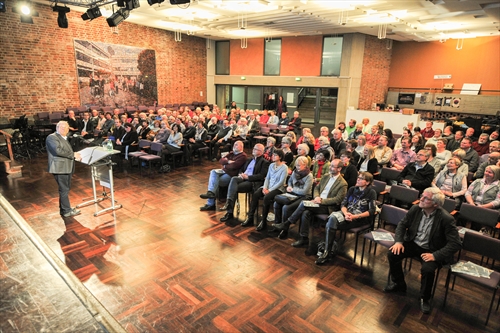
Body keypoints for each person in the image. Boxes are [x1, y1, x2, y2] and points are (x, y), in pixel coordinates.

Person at [384, 187, 461, 314]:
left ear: (435, 204)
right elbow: (402, 224)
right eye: (422, 195)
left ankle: (425, 298)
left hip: (431, 250)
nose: (421, 199)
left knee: (428, 269)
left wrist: (435, 255)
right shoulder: (416, 209)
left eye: (426, 198)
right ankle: (399, 284)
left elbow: (455, 244)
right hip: (414, 243)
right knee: (393, 254)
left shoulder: (446, 219)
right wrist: (399, 242)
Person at [273, 159, 348, 249]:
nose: (330, 167)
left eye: (332, 166)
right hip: (317, 202)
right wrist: (316, 197)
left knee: (303, 204)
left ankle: (287, 223)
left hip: (328, 206)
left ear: (339, 168)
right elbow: (316, 188)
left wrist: (321, 201)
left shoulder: (343, 183)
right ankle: (304, 238)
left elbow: (338, 199)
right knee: (305, 213)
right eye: (330, 165)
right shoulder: (326, 176)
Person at [315, 171, 377, 265]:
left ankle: (327, 251)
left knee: (331, 221)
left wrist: (355, 216)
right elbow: (343, 203)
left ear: (367, 182)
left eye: (361, 178)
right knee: (332, 219)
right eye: (358, 177)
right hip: (347, 214)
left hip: (360, 218)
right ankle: (327, 251)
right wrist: (345, 213)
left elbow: (372, 211)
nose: (358, 179)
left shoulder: (371, 193)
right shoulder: (352, 189)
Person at [220, 144, 269, 223]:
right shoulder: (249, 159)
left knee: (234, 188)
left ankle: (229, 210)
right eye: (254, 148)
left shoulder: (264, 162)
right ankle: (229, 203)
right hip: (242, 178)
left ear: (260, 152)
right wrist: (241, 174)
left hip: (252, 182)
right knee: (233, 179)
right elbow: (241, 169)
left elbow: (261, 175)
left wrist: (248, 177)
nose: (253, 150)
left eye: (255, 149)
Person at [241, 149, 288, 231]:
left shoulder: (284, 168)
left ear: (280, 157)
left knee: (266, 198)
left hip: (278, 189)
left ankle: (263, 221)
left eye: (275, 155)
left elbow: (281, 182)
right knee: (256, 194)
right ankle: (250, 218)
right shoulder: (271, 165)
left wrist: (269, 190)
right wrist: (265, 187)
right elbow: (267, 178)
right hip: (268, 187)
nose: (273, 156)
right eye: (273, 155)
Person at [46, 121, 82, 218]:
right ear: (57, 128)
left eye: (66, 128)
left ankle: (64, 209)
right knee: (64, 189)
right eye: (62, 128)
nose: (64, 130)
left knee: (65, 189)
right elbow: (57, 151)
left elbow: (65, 150)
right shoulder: (52, 137)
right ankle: (66, 211)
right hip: (60, 168)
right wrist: (73, 154)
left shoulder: (63, 137)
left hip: (65, 167)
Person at [273, 156, 314, 239]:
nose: (297, 167)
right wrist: (289, 186)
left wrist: (292, 189)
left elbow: (304, 191)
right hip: (293, 193)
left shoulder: (309, 176)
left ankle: (284, 229)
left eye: (299, 165)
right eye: (296, 165)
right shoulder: (295, 172)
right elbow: (290, 181)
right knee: (276, 203)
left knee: (286, 208)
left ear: (305, 165)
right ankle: (278, 224)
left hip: (304, 197)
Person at [200, 141, 247, 211]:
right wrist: (228, 162)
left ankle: (210, 203)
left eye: (236, 145)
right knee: (213, 172)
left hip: (231, 175)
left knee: (214, 182)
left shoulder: (243, 156)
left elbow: (233, 166)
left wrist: (226, 164)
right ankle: (210, 193)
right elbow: (221, 160)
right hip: (224, 171)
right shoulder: (231, 153)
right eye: (234, 144)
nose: (234, 146)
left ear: (241, 147)